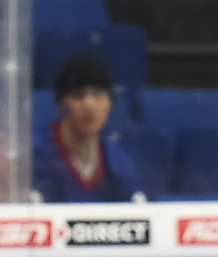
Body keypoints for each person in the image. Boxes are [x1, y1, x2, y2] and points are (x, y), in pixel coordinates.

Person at [32, 53, 143, 203]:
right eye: (78, 96)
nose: (89, 105)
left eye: (98, 95)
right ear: (60, 103)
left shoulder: (115, 157)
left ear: (110, 103)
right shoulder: (35, 152)